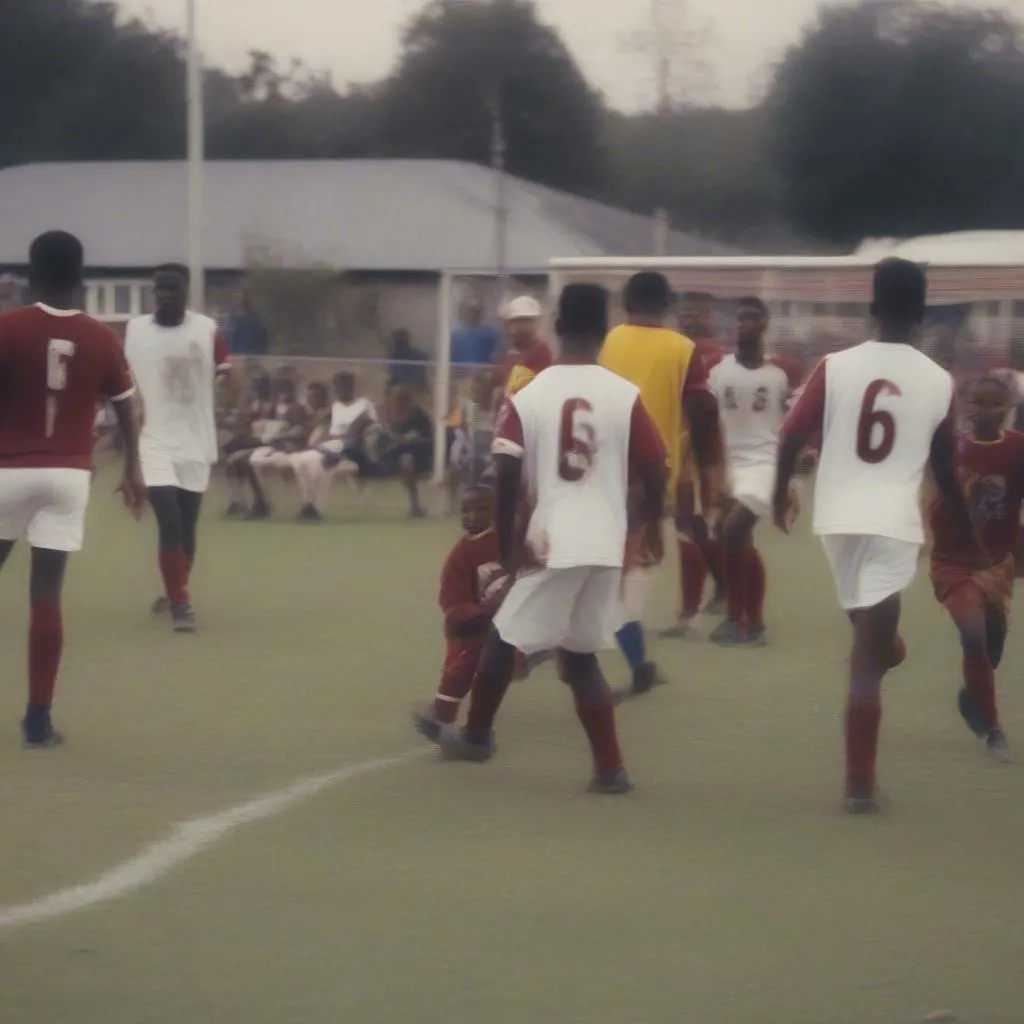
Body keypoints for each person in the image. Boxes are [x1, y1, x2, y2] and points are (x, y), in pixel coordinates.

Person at [437, 283, 668, 795]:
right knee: (580, 655)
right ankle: (610, 769)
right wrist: (651, 526)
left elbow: (505, 466)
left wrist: (508, 544)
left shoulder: (531, 393)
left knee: (503, 639)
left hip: (555, 539)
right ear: (605, 333)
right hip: (605, 542)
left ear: (557, 328)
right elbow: (655, 468)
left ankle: (476, 736)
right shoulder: (624, 394)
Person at [774, 258, 979, 814]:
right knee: (867, 662)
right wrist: (965, 529)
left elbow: (791, 437)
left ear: (872, 308)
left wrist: (778, 494)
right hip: (893, 526)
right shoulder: (939, 381)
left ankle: (883, 643)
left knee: (864, 628)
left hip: (836, 522)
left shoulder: (833, 366)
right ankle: (860, 787)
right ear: (921, 313)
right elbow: (944, 469)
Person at [0, 231, 145, 746]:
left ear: (31, 274)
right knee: (46, 596)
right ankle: (38, 720)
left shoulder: (8, 326)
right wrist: (134, 469)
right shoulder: (102, 336)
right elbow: (127, 404)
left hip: (7, 471)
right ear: (80, 279)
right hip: (67, 476)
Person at [599, 272, 722, 693]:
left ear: (625, 302)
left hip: (598, 469)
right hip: (652, 475)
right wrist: (708, 477)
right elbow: (703, 413)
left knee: (604, 564)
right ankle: (626, 657)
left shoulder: (609, 341)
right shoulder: (683, 349)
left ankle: (632, 661)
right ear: (667, 305)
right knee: (636, 565)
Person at [125, 263, 243, 632]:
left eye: (173, 291)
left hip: (196, 441)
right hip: (154, 441)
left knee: (188, 526)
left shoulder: (207, 330)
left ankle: (175, 589)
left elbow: (232, 375)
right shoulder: (134, 330)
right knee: (169, 520)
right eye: (160, 291)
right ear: (153, 294)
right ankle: (181, 604)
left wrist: (232, 394)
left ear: (185, 294)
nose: (165, 297)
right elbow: (117, 380)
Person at [930, 375, 1023, 762]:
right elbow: (936, 507)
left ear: (1007, 408)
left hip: (996, 565)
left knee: (992, 647)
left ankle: (973, 697)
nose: (979, 409)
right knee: (972, 635)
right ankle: (993, 730)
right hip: (953, 562)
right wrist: (964, 500)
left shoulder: (1018, 448)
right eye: (974, 402)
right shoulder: (952, 449)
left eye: (990, 403)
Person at [706, 298, 802, 647]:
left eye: (752, 317)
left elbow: (794, 426)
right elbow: (707, 422)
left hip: (764, 463)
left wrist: (788, 482)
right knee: (735, 539)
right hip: (730, 464)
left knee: (733, 531)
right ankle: (755, 624)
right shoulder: (718, 370)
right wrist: (710, 472)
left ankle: (735, 618)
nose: (744, 323)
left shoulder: (782, 371)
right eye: (740, 317)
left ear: (765, 323)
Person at [412, 485, 508, 739]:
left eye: (480, 509)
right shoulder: (461, 555)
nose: (471, 516)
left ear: (497, 511)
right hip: (483, 625)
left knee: (572, 656)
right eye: (465, 510)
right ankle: (443, 713)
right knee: (465, 662)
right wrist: (481, 613)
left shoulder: (512, 542)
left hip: (523, 621)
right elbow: (454, 602)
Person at [667, 291, 726, 625]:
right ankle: (720, 588)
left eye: (698, 312)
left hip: (708, 451)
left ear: (711, 318)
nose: (691, 319)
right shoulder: (676, 351)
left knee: (695, 522)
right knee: (693, 523)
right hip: (682, 446)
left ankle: (695, 606)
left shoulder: (717, 358)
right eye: (686, 312)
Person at [290, 372, 378, 520]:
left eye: (343, 387)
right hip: (330, 445)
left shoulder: (364, 405)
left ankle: (317, 508)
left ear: (351, 387)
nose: (339, 391)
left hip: (352, 448)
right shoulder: (335, 407)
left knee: (320, 465)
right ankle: (307, 504)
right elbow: (324, 429)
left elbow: (369, 429)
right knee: (298, 460)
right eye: (337, 388)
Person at [380, 385, 433, 518]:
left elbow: (425, 434)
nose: (395, 403)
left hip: (419, 452)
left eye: (399, 400)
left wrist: (405, 439)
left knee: (406, 461)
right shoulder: (388, 415)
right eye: (393, 400)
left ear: (407, 401)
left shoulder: (417, 415)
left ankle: (415, 506)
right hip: (394, 452)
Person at [447, 370, 498, 509]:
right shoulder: (468, 410)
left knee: (477, 463)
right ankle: (453, 504)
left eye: (478, 390)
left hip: (491, 455)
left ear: (488, 392)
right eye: (473, 390)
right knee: (463, 462)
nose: (474, 393)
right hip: (471, 452)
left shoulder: (496, 412)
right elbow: (461, 434)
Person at [498, 296, 553, 396]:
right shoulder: (510, 350)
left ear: (532, 323)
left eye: (520, 322)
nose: (514, 327)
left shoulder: (540, 350)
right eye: (512, 322)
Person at [450, 297, 500, 367]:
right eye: (470, 310)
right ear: (462, 312)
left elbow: (495, 359)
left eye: (476, 311)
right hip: (458, 374)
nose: (473, 314)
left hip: (484, 374)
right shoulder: (455, 336)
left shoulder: (489, 334)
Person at [387, 328, 429, 393]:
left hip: (414, 386)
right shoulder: (394, 355)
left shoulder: (417, 355)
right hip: (401, 386)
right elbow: (391, 372)